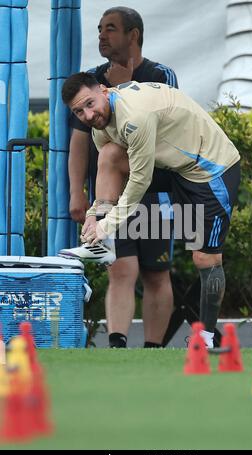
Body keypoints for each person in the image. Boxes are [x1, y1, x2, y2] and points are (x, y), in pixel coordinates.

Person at [60, 74, 241, 349]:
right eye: (78, 111)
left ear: (104, 90)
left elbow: (140, 182)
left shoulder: (135, 117)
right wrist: (94, 216)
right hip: (175, 168)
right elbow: (112, 173)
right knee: (109, 155)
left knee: (205, 259)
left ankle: (207, 337)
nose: (87, 114)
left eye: (89, 103)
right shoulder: (100, 126)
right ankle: (107, 245)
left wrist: (106, 225)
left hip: (210, 171)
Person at [67, 7, 178, 348]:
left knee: (156, 272)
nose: (101, 34)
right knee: (120, 270)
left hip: (155, 191)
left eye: (110, 28)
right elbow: (80, 141)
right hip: (111, 193)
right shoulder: (90, 82)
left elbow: (162, 129)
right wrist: (76, 193)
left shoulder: (161, 74)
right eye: (100, 28)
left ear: (133, 35)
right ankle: (117, 345)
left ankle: (154, 349)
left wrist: (122, 87)